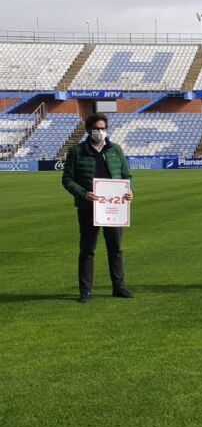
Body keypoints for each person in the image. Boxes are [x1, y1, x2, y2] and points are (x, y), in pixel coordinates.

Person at [61, 113, 134, 303]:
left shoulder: (115, 150)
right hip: (88, 207)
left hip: (114, 208)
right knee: (87, 250)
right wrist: (83, 193)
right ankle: (85, 291)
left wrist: (129, 191)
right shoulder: (77, 152)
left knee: (116, 249)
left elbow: (127, 176)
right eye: (96, 129)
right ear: (88, 130)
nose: (100, 132)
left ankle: (119, 287)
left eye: (103, 128)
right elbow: (67, 179)